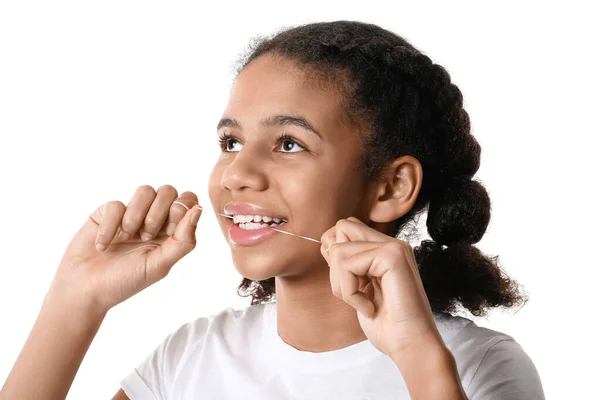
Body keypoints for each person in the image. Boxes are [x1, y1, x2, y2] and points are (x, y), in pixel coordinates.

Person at [0, 21, 545, 400]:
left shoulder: (479, 368)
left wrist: (417, 356)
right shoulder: (194, 356)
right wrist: (77, 299)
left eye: (288, 144)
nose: (236, 173)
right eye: (231, 142)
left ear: (390, 187)